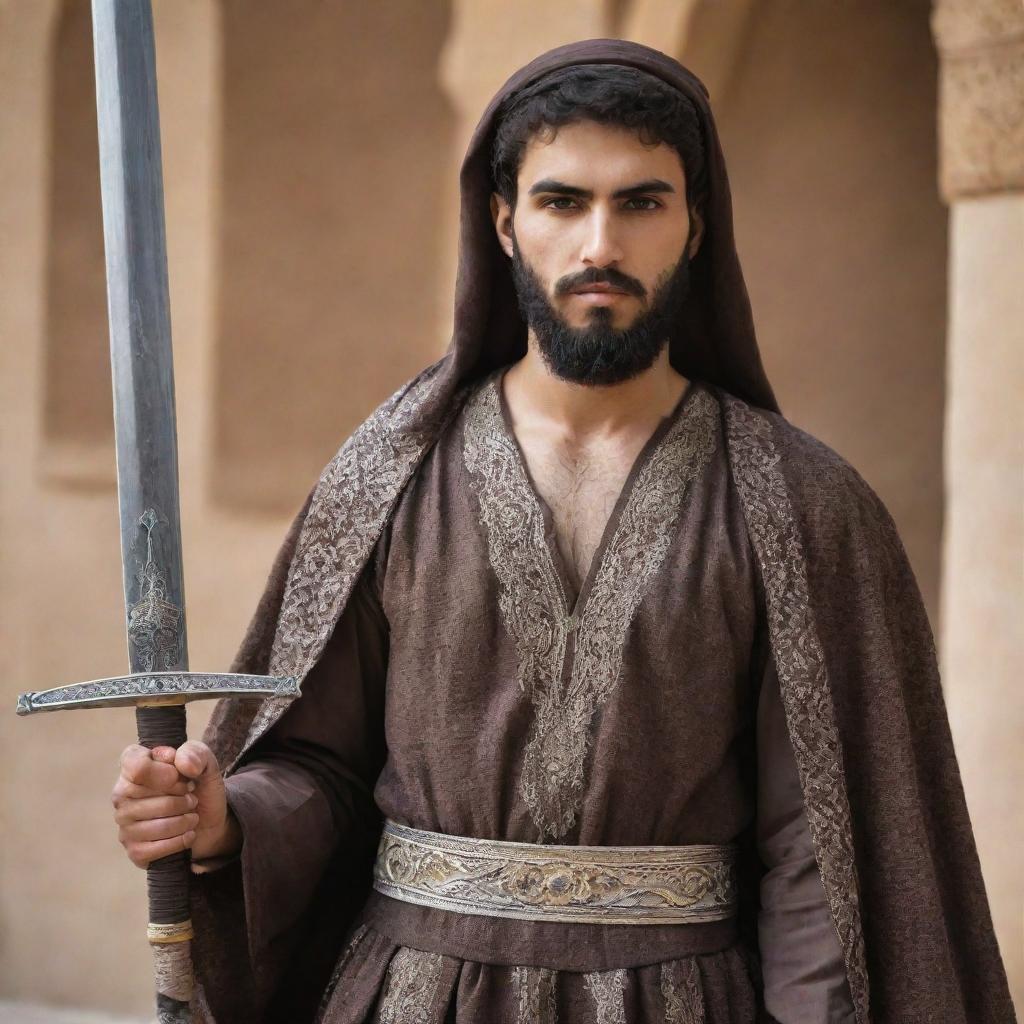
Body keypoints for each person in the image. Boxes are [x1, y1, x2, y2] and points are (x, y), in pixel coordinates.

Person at [109, 40, 1015, 1024]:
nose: (599, 244)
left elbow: (822, 856)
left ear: (694, 223)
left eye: (640, 202)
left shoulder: (801, 506)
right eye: (560, 201)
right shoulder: (387, 478)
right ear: (504, 222)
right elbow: (322, 766)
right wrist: (224, 819)